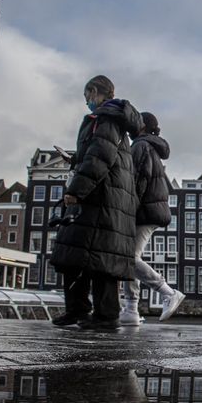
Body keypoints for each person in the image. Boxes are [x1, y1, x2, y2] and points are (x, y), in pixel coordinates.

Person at [50, 75, 141, 330]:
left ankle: (104, 315)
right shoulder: (112, 120)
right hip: (107, 198)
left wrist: (76, 190)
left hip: (100, 199)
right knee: (85, 255)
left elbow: (101, 156)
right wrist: (76, 158)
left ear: (95, 92)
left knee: (96, 258)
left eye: (87, 96)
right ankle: (81, 310)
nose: (87, 101)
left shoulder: (106, 118)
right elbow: (98, 151)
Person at [120, 111, 186, 326]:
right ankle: (130, 308)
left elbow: (137, 181)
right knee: (128, 257)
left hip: (144, 211)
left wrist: (127, 208)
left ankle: (167, 292)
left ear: (141, 126)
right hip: (150, 210)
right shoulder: (149, 146)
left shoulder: (140, 146)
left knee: (129, 257)